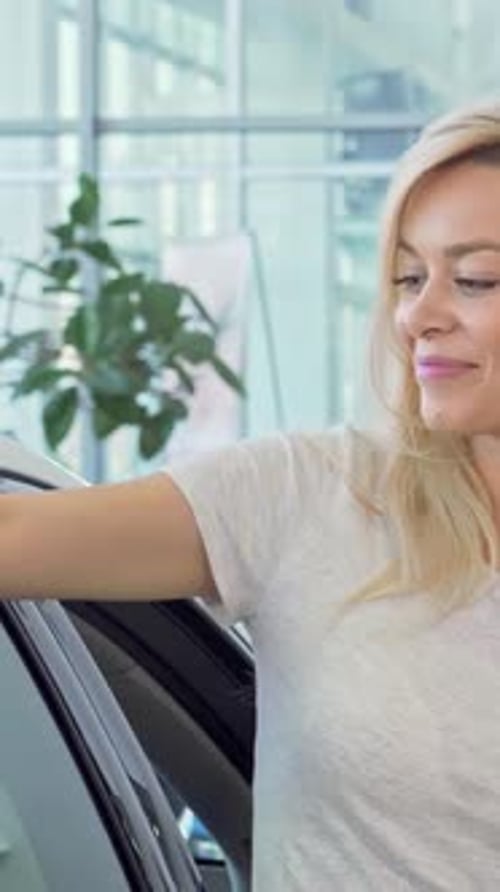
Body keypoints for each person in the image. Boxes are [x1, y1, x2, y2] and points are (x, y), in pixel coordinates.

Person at [4, 97, 500, 891]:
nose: (419, 314)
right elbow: (12, 540)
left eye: (474, 279)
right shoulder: (310, 497)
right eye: (409, 276)